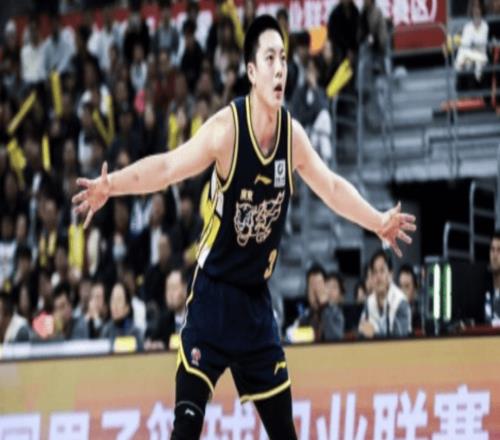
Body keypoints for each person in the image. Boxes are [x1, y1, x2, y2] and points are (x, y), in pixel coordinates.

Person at [73, 15, 415, 439]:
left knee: (284, 433)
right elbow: (167, 167)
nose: (280, 68)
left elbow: (330, 186)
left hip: (255, 305)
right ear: (252, 72)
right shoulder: (226, 131)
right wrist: (112, 185)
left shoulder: (292, 136)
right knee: (185, 430)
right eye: (270, 58)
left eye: (284, 58)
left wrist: (377, 221)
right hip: (212, 297)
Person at [359, 249, 412, 338]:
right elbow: (361, 332)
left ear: (391, 274)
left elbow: (399, 340)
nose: (378, 276)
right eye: (374, 272)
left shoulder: (400, 302)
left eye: (382, 270)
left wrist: (374, 334)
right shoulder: (369, 302)